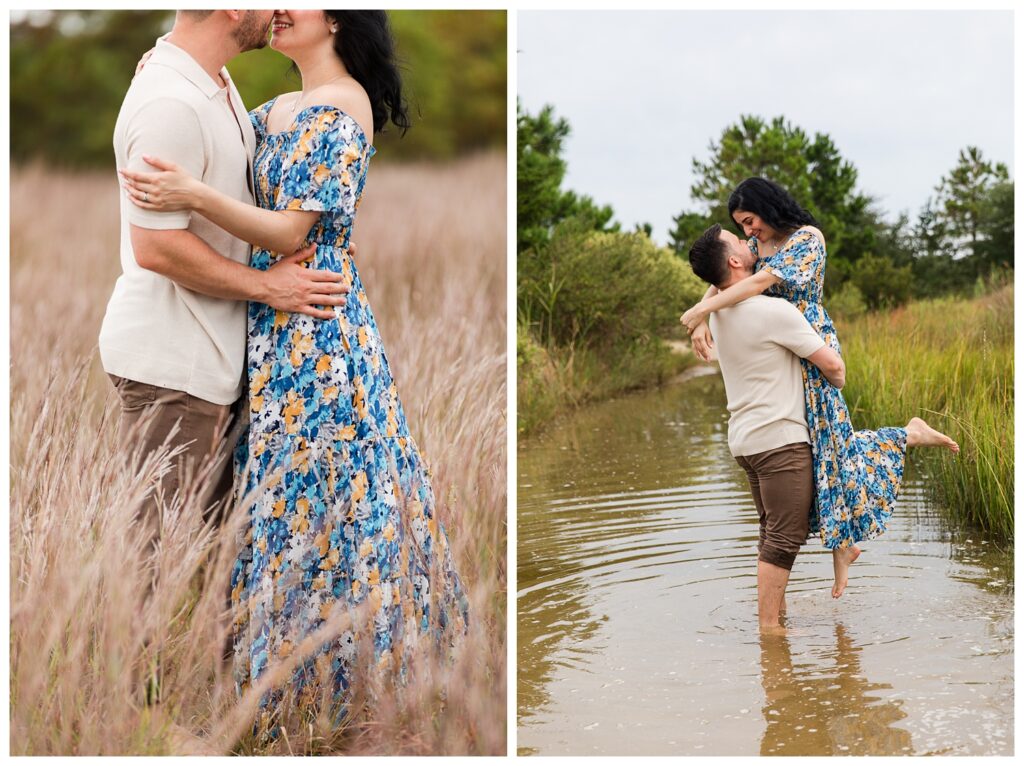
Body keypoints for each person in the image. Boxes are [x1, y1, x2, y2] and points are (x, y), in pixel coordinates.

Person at [118, 10, 467, 726]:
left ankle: (351, 685)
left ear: (336, 19)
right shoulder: (273, 107)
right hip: (267, 328)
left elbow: (290, 230)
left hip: (314, 324)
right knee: (282, 506)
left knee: (333, 500)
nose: (279, 9)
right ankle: (280, 687)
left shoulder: (345, 104)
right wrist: (158, 71)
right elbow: (210, 109)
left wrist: (194, 198)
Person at [100, 9, 350, 533]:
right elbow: (156, 248)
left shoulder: (212, 83)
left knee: (207, 565)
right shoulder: (171, 100)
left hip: (209, 363)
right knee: (155, 560)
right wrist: (266, 287)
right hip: (173, 366)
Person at [680, 178, 958, 599]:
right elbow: (725, 276)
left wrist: (702, 310)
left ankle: (907, 437)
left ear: (766, 208)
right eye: (740, 226)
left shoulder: (806, 239)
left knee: (834, 447)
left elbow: (752, 285)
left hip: (808, 340)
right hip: (780, 345)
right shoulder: (757, 247)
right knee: (826, 453)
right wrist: (701, 314)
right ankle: (844, 545)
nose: (748, 232)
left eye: (750, 221)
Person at [688, 223, 846, 630]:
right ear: (736, 261)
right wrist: (828, 359)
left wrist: (702, 313)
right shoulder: (776, 312)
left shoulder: (719, 314)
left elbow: (721, 292)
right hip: (780, 442)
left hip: (744, 443)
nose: (750, 240)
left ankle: (777, 619)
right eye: (740, 240)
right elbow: (835, 369)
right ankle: (770, 632)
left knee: (770, 535)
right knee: (783, 540)